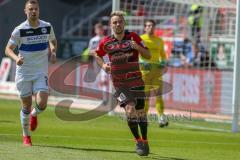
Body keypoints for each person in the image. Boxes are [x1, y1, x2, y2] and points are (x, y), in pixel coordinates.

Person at [94, 11, 151, 156]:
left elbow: (148, 55)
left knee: (140, 113)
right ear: (111, 25)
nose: (117, 24)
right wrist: (103, 66)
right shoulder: (106, 42)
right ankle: (137, 140)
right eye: (114, 22)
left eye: (120, 21)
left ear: (124, 23)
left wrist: (137, 47)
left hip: (137, 81)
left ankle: (145, 140)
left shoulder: (133, 37)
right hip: (119, 84)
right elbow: (97, 54)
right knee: (130, 110)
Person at [5, 0, 57, 146]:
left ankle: (34, 115)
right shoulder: (19, 29)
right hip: (24, 73)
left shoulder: (46, 26)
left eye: (35, 9)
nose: (33, 11)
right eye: (30, 9)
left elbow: (53, 40)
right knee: (26, 106)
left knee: (42, 103)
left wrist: (53, 51)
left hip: (40, 72)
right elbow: (8, 49)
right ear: (25, 11)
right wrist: (16, 58)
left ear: (38, 10)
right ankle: (26, 136)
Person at [140, 20, 168, 127]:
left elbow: (163, 55)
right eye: (148, 25)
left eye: (152, 25)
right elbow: (136, 53)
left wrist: (163, 63)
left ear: (154, 27)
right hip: (145, 71)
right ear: (145, 28)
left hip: (156, 71)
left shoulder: (159, 41)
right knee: (145, 96)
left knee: (159, 95)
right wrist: (142, 61)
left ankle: (161, 117)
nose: (150, 27)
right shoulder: (141, 39)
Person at [87, 23, 109, 105]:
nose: (99, 31)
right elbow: (89, 51)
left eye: (101, 29)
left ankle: (106, 98)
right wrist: (96, 51)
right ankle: (104, 97)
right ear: (95, 30)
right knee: (99, 80)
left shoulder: (106, 39)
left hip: (105, 62)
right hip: (96, 62)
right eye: (97, 29)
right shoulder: (93, 40)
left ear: (103, 30)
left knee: (105, 79)